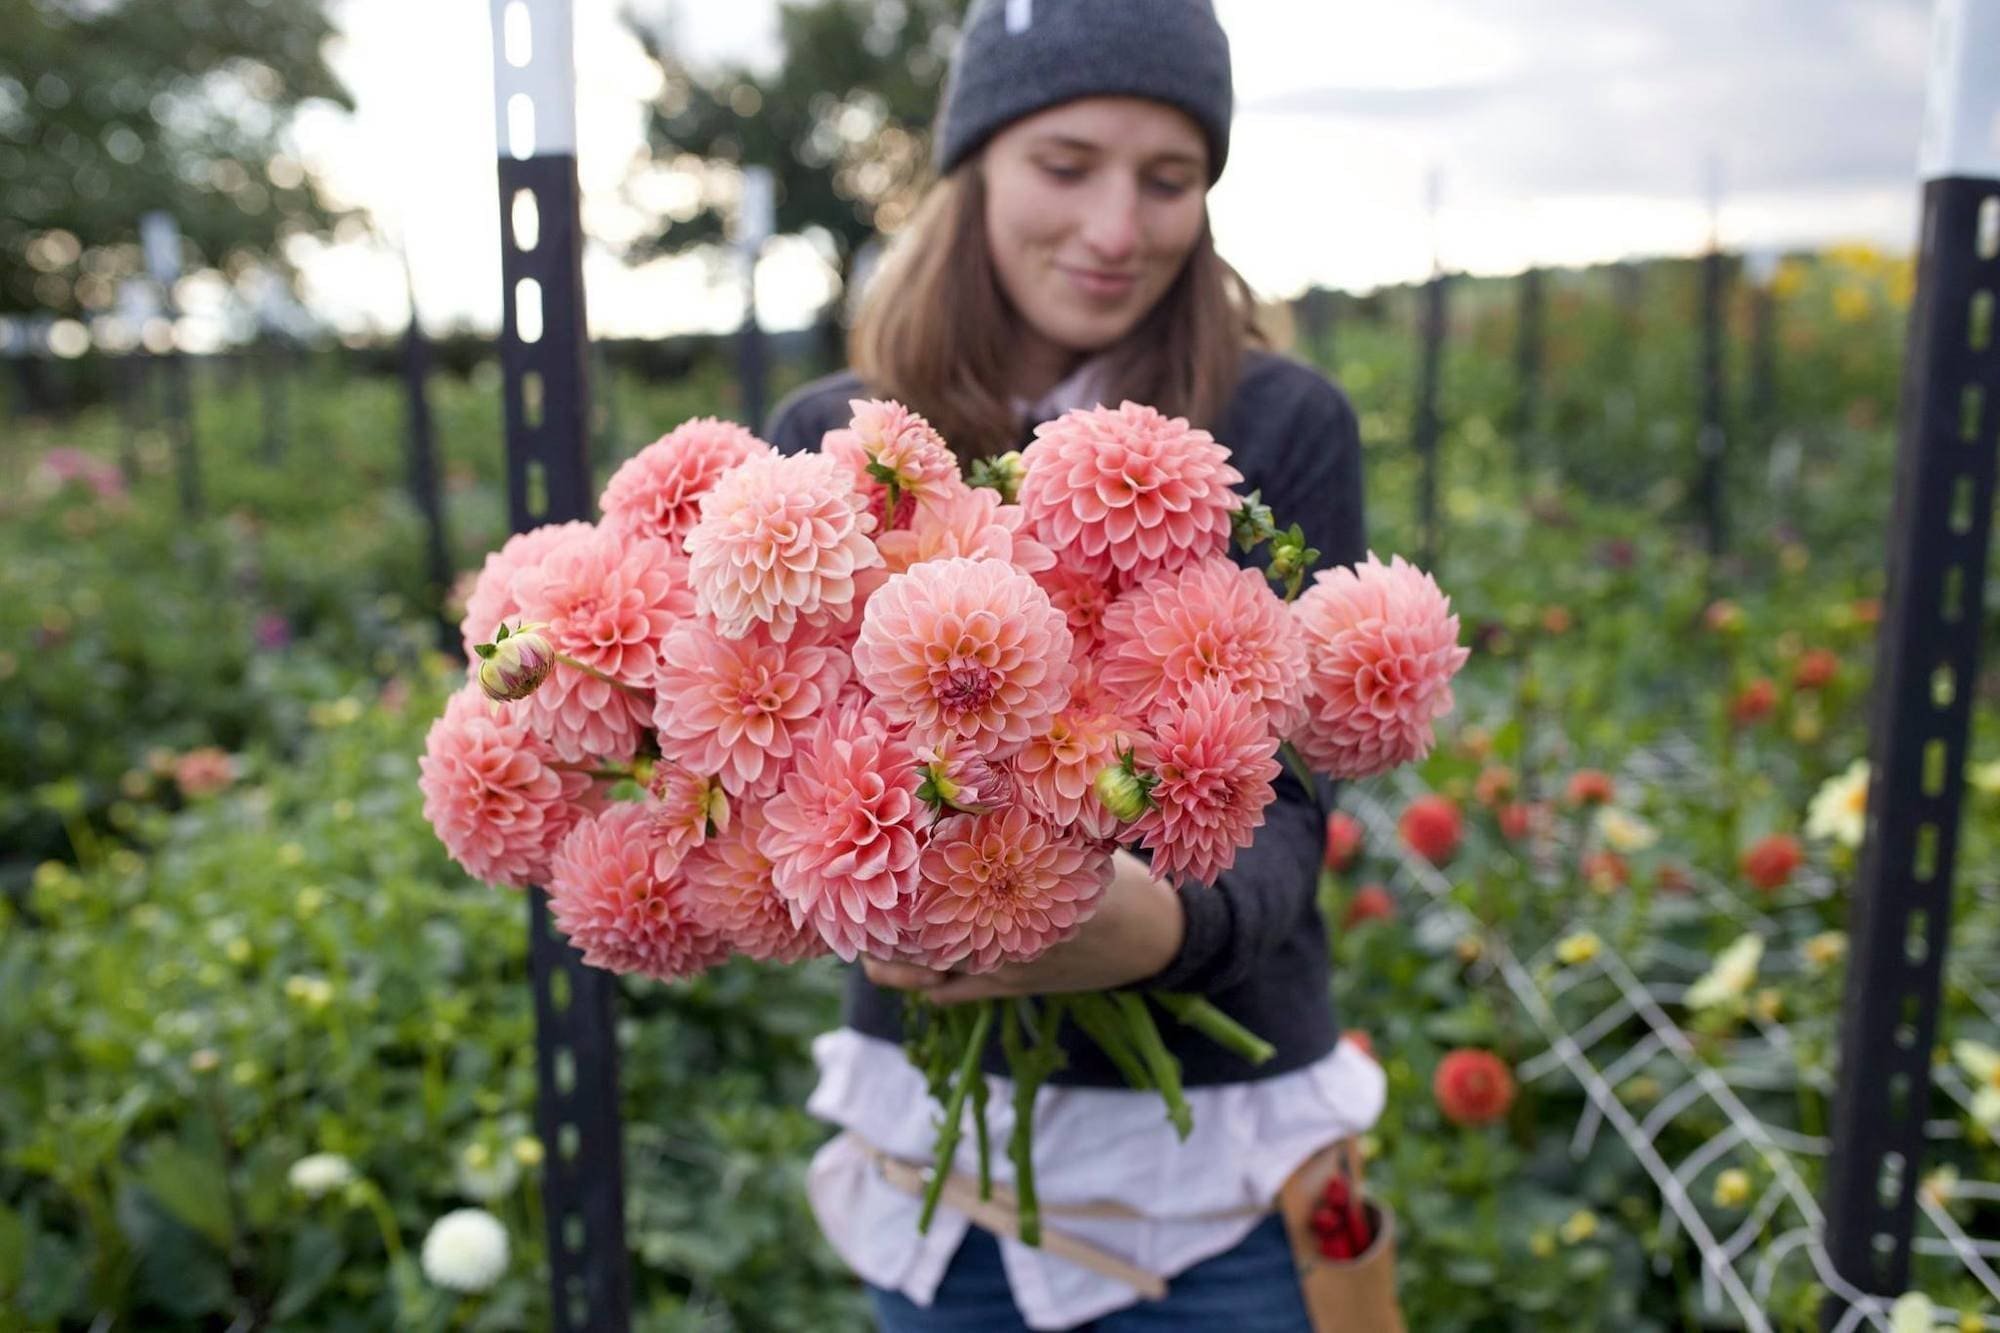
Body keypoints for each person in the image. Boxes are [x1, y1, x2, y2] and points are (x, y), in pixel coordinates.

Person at [763, 2, 1384, 1328]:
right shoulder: (832, 442)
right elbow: (786, 769)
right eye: (1065, 164)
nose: (1116, 229)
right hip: (942, 1187)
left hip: (1219, 1184)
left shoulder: (1277, 423)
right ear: (973, 162)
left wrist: (1157, 930)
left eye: (1168, 180)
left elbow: (1287, 795)